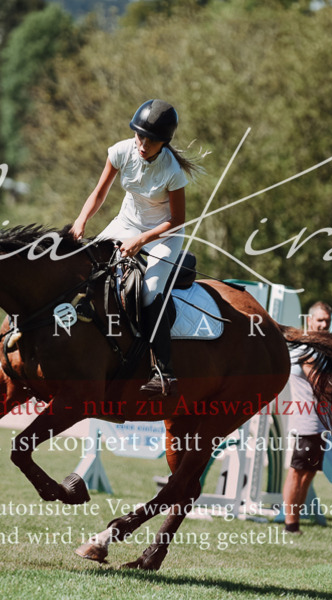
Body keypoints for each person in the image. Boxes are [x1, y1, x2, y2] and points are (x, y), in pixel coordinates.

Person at [70, 99, 202, 398]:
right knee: (87, 265)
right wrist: (81, 220)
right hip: (126, 223)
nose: (143, 144)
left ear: (164, 142)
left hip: (163, 235)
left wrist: (141, 241)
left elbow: (177, 220)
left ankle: (164, 373)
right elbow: (100, 192)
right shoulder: (121, 151)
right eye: (140, 136)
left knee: (150, 291)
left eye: (151, 140)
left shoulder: (172, 171)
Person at [281, 301, 332, 534]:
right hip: (307, 421)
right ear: (309, 320)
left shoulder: (322, 348)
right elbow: (321, 384)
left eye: (327, 321)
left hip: (320, 422)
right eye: (320, 320)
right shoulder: (307, 348)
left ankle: (295, 522)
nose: (324, 325)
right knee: (298, 470)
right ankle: (290, 524)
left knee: (309, 473)